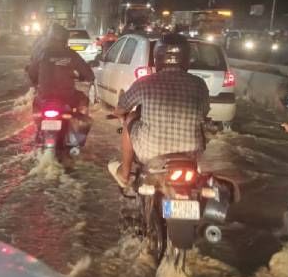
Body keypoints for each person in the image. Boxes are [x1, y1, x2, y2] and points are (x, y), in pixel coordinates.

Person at [112, 33, 210, 189]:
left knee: (130, 118)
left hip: (151, 153)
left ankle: (124, 173)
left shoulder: (145, 83)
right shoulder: (199, 83)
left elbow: (120, 109)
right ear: (186, 59)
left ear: (157, 57)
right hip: (192, 154)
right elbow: (204, 112)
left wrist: (125, 114)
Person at [26, 23, 94, 115]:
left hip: (45, 95)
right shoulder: (71, 54)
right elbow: (88, 73)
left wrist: (35, 81)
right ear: (65, 38)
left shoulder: (42, 53)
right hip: (67, 96)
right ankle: (79, 126)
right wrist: (88, 76)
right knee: (84, 100)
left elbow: (32, 72)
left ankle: (38, 125)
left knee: (36, 104)